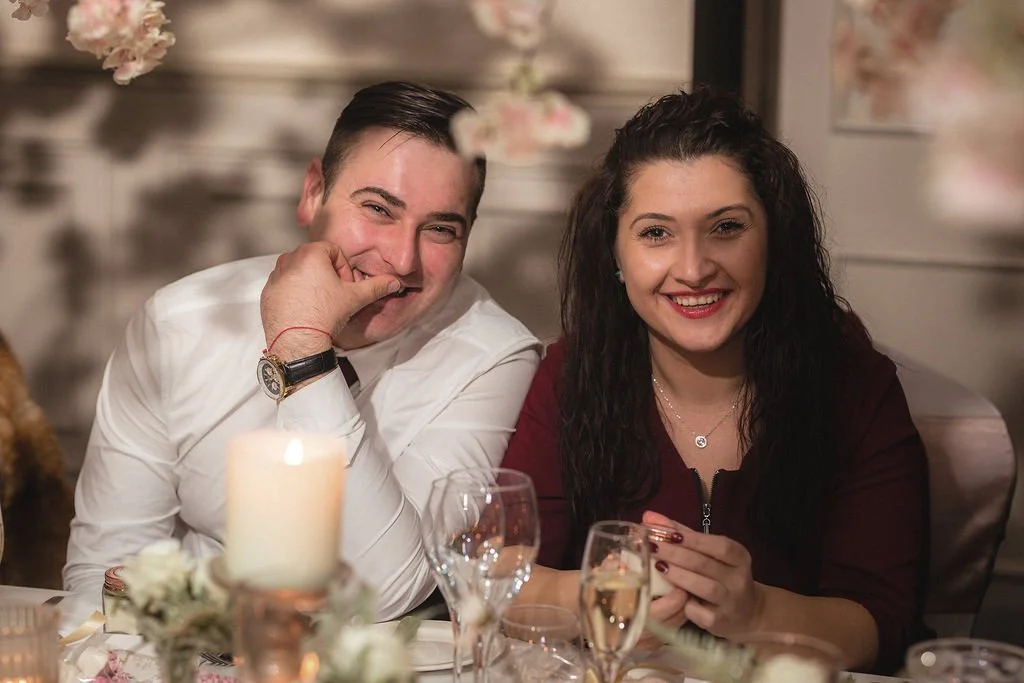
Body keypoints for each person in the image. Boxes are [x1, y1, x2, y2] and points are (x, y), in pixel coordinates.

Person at [64, 81, 542, 619]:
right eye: (379, 209)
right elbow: (107, 566)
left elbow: (383, 591)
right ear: (314, 191)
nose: (402, 260)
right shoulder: (179, 325)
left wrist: (303, 353)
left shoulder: (493, 356)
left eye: (439, 229)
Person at [501, 86, 930, 674]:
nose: (695, 267)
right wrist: (600, 597)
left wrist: (753, 612)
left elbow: (883, 621)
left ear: (773, 242)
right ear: (616, 257)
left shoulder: (855, 386)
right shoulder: (571, 373)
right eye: (656, 233)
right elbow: (503, 576)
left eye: (726, 227)